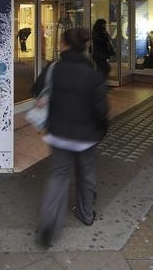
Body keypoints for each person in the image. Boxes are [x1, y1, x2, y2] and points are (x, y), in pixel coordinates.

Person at [34, 28, 109, 247]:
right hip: (86, 136)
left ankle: (49, 223)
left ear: (65, 45)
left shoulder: (54, 69)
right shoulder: (93, 74)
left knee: (58, 176)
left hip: (59, 133)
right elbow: (101, 109)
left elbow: (36, 89)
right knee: (86, 175)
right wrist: (101, 130)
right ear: (85, 47)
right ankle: (86, 215)